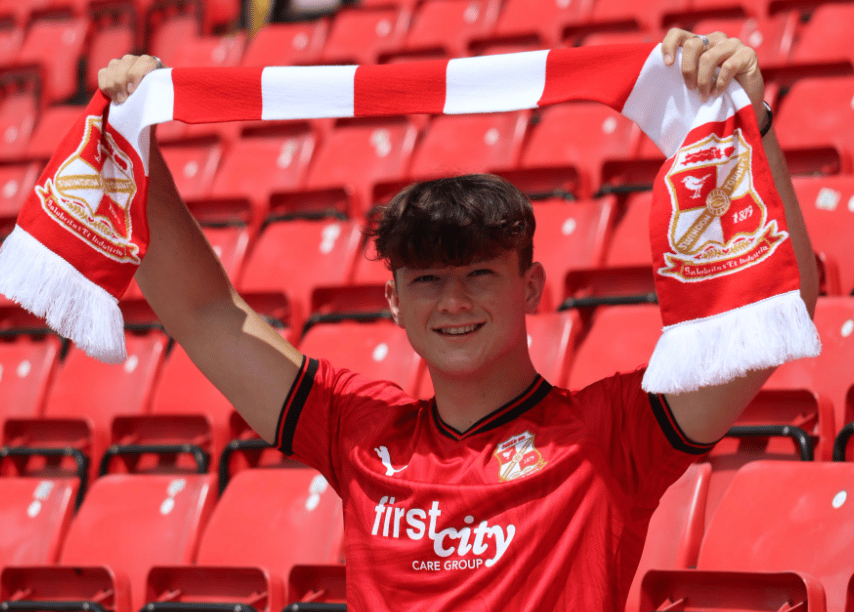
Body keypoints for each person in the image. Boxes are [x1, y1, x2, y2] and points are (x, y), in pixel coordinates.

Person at [98, 28, 818, 611]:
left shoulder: (612, 438)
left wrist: (749, 122)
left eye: (479, 273)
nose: (453, 302)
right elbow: (204, 314)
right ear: (394, 304)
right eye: (428, 281)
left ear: (529, 284)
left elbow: (779, 307)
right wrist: (136, 138)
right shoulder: (357, 430)